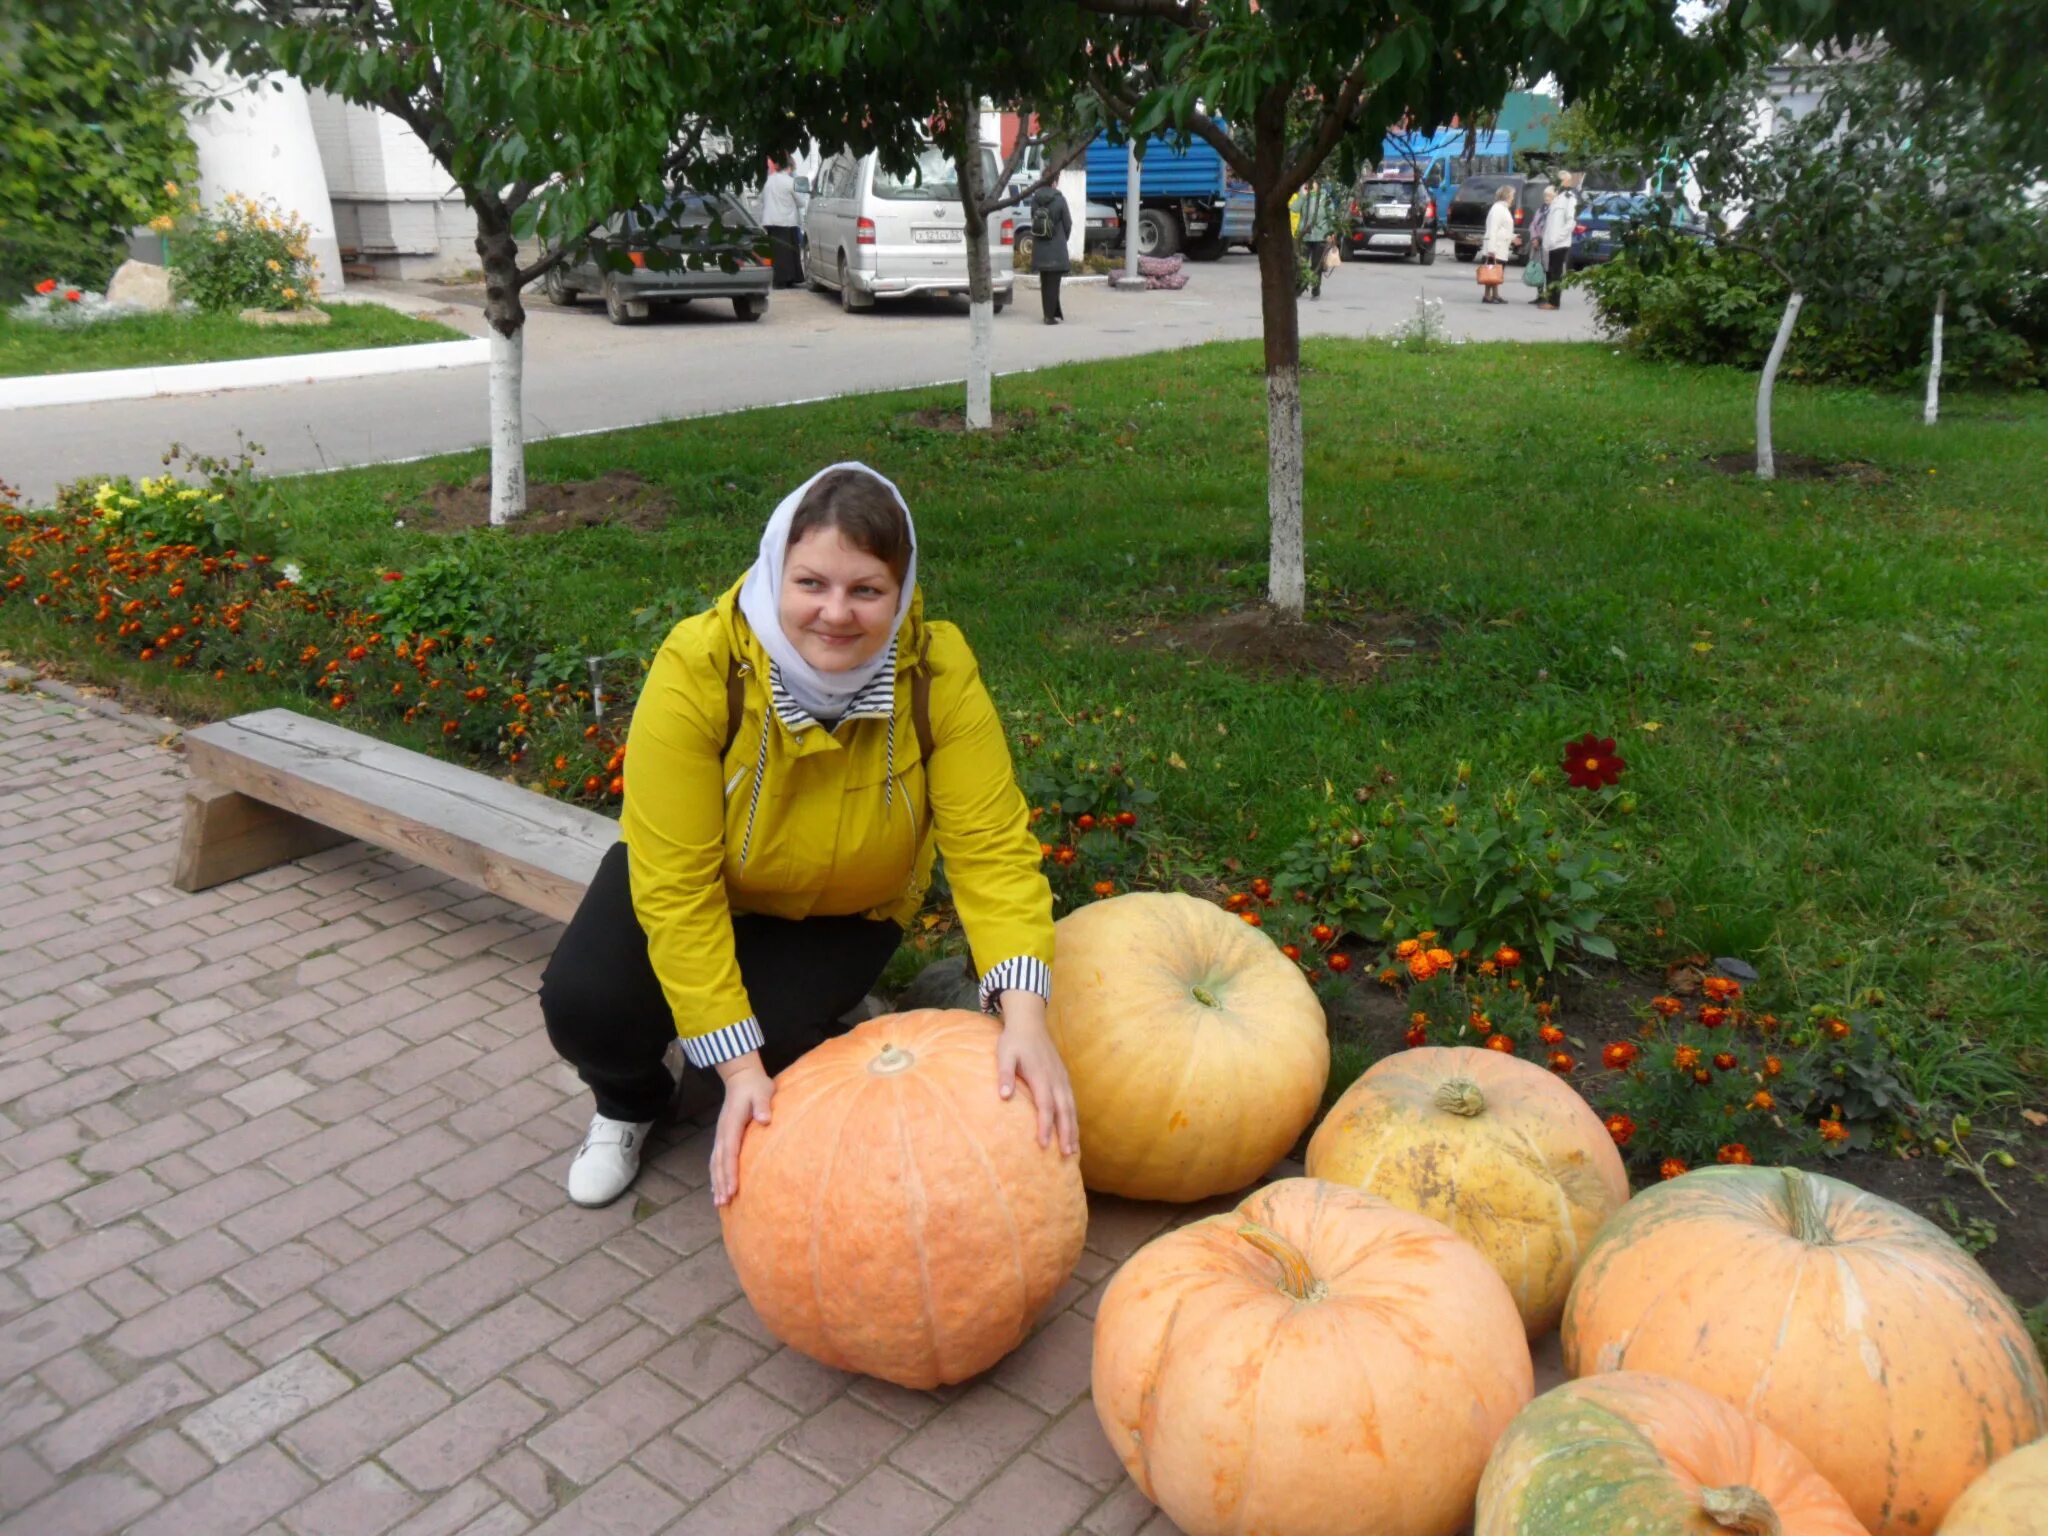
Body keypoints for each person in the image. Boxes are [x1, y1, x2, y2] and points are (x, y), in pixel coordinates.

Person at [540, 463, 1079, 1209]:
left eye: (866, 590)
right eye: (811, 584)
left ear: (902, 592)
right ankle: (628, 1104)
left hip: (845, 910)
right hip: (706, 884)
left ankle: (801, 1028)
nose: (836, 613)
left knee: (782, 1039)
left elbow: (991, 849)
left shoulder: (935, 673)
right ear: (774, 572)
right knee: (584, 1004)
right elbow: (676, 887)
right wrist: (736, 1068)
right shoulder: (700, 667)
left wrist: (1025, 1020)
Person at [1028, 181, 1073, 324]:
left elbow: (1033, 219)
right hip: (1056, 248)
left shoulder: (1035, 200)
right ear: (1054, 182)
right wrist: (1062, 238)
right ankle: (1049, 317)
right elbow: (1068, 223)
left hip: (1040, 247)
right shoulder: (1060, 199)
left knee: (1045, 281)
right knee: (1054, 282)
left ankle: (1049, 312)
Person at [758, 163, 802, 289]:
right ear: (788, 168)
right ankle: (789, 278)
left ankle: (777, 278)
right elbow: (800, 201)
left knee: (775, 252)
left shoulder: (769, 181)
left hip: (770, 221)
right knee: (788, 252)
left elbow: (761, 198)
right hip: (786, 220)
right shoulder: (789, 181)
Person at [1540, 173, 1578, 311]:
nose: (1558, 183)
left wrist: (1557, 238)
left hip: (1559, 243)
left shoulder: (1569, 198)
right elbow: (1550, 223)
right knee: (1550, 272)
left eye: (1561, 181)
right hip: (1550, 243)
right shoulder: (1557, 198)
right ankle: (1549, 298)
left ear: (1568, 181)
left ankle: (1554, 302)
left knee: (1556, 273)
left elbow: (1571, 222)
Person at [1297, 177, 1339, 300]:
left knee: (1316, 265)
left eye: (1312, 183)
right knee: (1301, 263)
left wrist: (1331, 233)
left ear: (1318, 185)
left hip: (1320, 236)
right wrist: (1302, 196)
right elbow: (1294, 208)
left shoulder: (1325, 198)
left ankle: (1316, 289)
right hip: (1305, 236)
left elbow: (1331, 216)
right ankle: (1298, 287)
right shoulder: (1304, 197)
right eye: (1307, 183)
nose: (1310, 185)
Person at [1478, 183, 1515, 305]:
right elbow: (1493, 230)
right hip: (1496, 247)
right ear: (1507, 196)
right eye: (1512, 196)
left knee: (1497, 271)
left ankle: (1495, 294)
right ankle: (1488, 295)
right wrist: (1491, 250)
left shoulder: (1503, 209)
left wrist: (1513, 237)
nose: (1513, 198)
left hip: (1501, 246)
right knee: (1492, 270)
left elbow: (1504, 229)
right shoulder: (1498, 209)